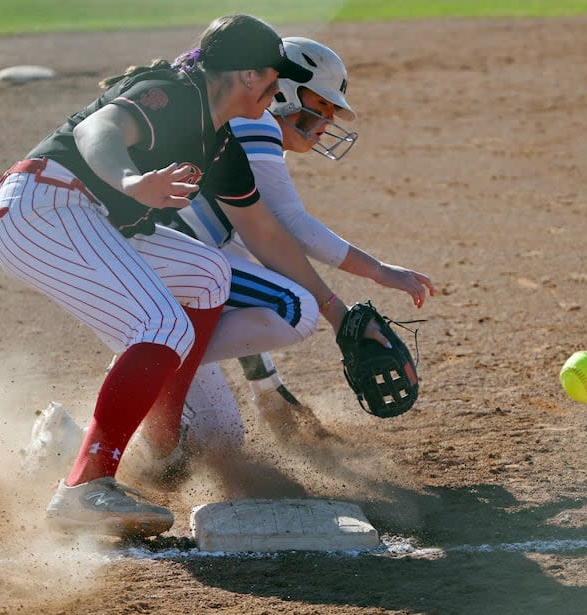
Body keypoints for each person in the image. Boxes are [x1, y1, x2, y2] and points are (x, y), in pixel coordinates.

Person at [0, 15, 380, 537]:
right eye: (271, 76)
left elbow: (267, 236)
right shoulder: (173, 94)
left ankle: (161, 438)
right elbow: (95, 128)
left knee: (208, 274)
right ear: (245, 75)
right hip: (43, 207)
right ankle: (85, 487)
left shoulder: (219, 144)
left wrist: (339, 315)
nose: (275, 89)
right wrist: (130, 179)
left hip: (94, 218)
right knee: (162, 325)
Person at [144, 37, 436, 468]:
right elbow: (294, 228)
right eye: (322, 103)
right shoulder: (254, 125)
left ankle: (130, 405)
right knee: (294, 306)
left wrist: (267, 385)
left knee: (219, 437)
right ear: (282, 91)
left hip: (159, 277)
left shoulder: (241, 130)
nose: (327, 120)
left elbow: (239, 280)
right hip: (155, 267)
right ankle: (145, 385)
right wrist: (377, 272)